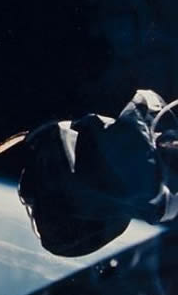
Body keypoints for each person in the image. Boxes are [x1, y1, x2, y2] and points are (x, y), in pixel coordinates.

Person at [19, 89, 178, 257]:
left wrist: (149, 107)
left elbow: (138, 112)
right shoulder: (148, 189)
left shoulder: (147, 183)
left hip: (64, 214)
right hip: (62, 207)